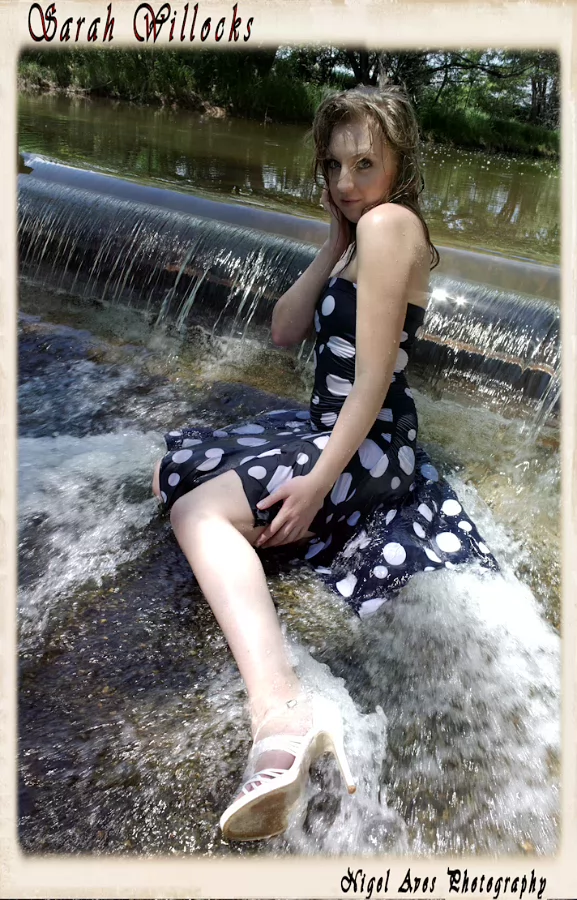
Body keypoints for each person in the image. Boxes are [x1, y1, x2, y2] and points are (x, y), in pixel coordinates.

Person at [152, 85, 495, 842]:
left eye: (365, 163)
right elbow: (283, 331)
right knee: (174, 466)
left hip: (369, 438)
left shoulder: (391, 224)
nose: (345, 180)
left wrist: (315, 485)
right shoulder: (361, 231)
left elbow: (370, 384)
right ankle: (302, 527)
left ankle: (282, 712)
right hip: (325, 423)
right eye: (333, 165)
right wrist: (331, 244)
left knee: (196, 511)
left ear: (401, 163)